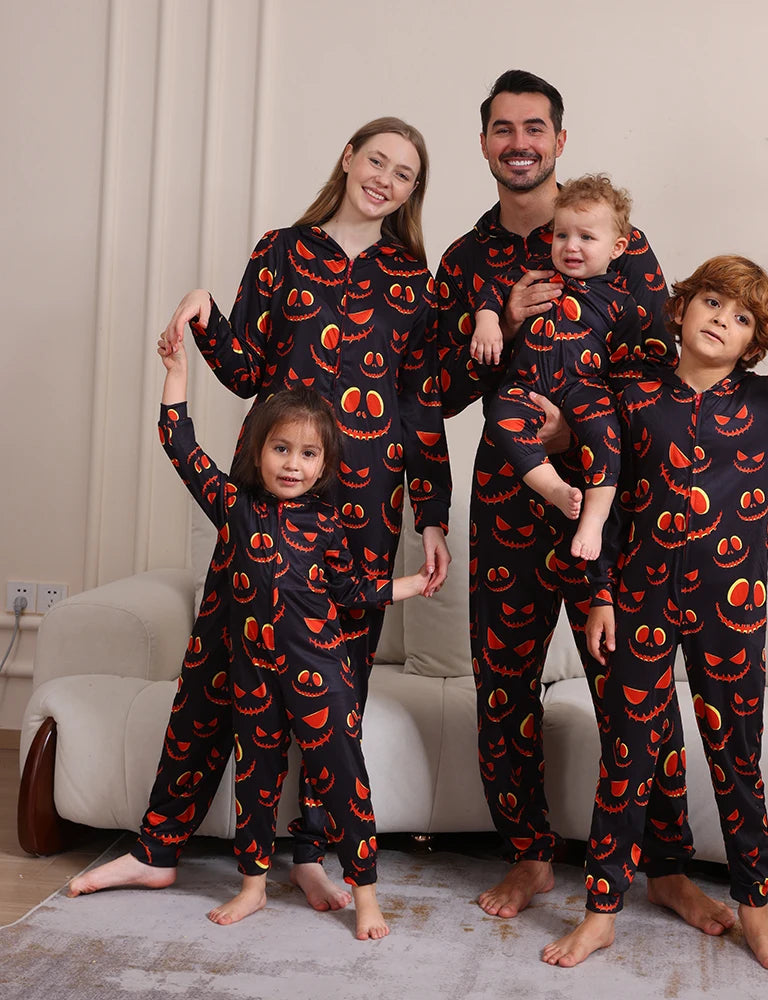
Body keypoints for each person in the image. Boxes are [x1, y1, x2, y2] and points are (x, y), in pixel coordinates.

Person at [69, 117, 451, 910]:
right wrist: (205, 310)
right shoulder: (281, 251)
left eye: (404, 173)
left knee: (337, 683)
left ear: (413, 192)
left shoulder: (414, 280)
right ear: (347, 157)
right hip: (267, 495)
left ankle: (310, 853)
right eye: (376, 160)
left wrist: (433, 515)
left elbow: (420, 405)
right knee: (215, 662)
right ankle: (157, 847)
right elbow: (247, 371)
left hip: (369, 503)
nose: (384, 179)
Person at [436, 70, 734, 936]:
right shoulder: (465, 259)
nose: (518, 142)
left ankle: (666, 867)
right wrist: (504, 326)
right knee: (503, 687)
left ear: (559, 141)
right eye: (502, 128)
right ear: (484, 142)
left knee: (635, 691)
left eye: (534, 127)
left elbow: (659, 366)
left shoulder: (619, 241)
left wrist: (578, 432)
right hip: (507, 503)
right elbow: (441, 390)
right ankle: (530, 853)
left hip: (611, 507)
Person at [544, 255, 768, 970]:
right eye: (712, 302)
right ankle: (601, 913)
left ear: (754, 342)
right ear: (683, 308)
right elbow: (602, 499)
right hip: (639, 601)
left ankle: (756, 912)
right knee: (626, 755)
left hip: (730, 611)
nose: (722, 319)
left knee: (736, 757)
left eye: (742, 316)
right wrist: (600, 595)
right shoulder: (631, 396)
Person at [155, 343, 430, 935]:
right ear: (258, 451)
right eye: (281, 449)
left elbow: (351, 589)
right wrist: (177, 373)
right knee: (255, 777)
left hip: (322, 671)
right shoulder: (234, 506)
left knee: (344, 777)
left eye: (308, 454)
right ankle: (253, 886)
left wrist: (409, 584)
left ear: (324, 464)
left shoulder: (327, 523)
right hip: (252, 674)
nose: (292, 465)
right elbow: (181, 447)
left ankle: (366, 895)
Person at [468, 174, 645, 560]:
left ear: (617, 247)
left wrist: (609, 409)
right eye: (562, 235)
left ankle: (594, 520)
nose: (571, 246)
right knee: (499, 414)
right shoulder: (536, 275)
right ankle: (552, 487)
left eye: (586, 237)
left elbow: (629, 368)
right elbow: (491, 289)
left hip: (583, 387)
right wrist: (488, 321)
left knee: (606, 431)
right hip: (525, 386)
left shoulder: (621, 302)